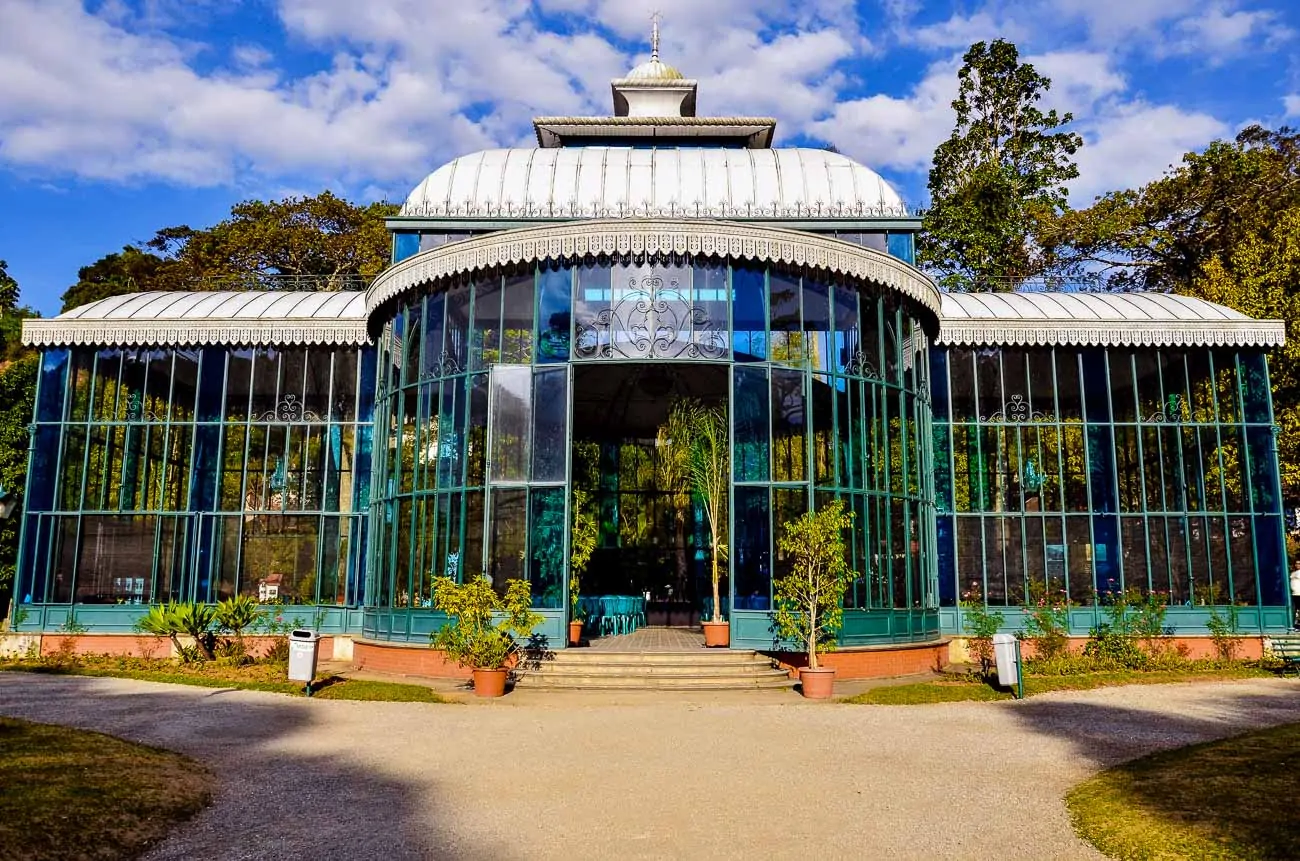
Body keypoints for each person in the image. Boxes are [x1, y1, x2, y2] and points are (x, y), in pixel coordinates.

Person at [1291, 564, 1300, 630]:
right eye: (1296, 563)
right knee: (1295, 610)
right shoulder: (1293, 573)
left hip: (1299, 593)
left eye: (1299, 564)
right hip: (1293, 594)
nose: (1297, 565)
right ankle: (1295, 625)